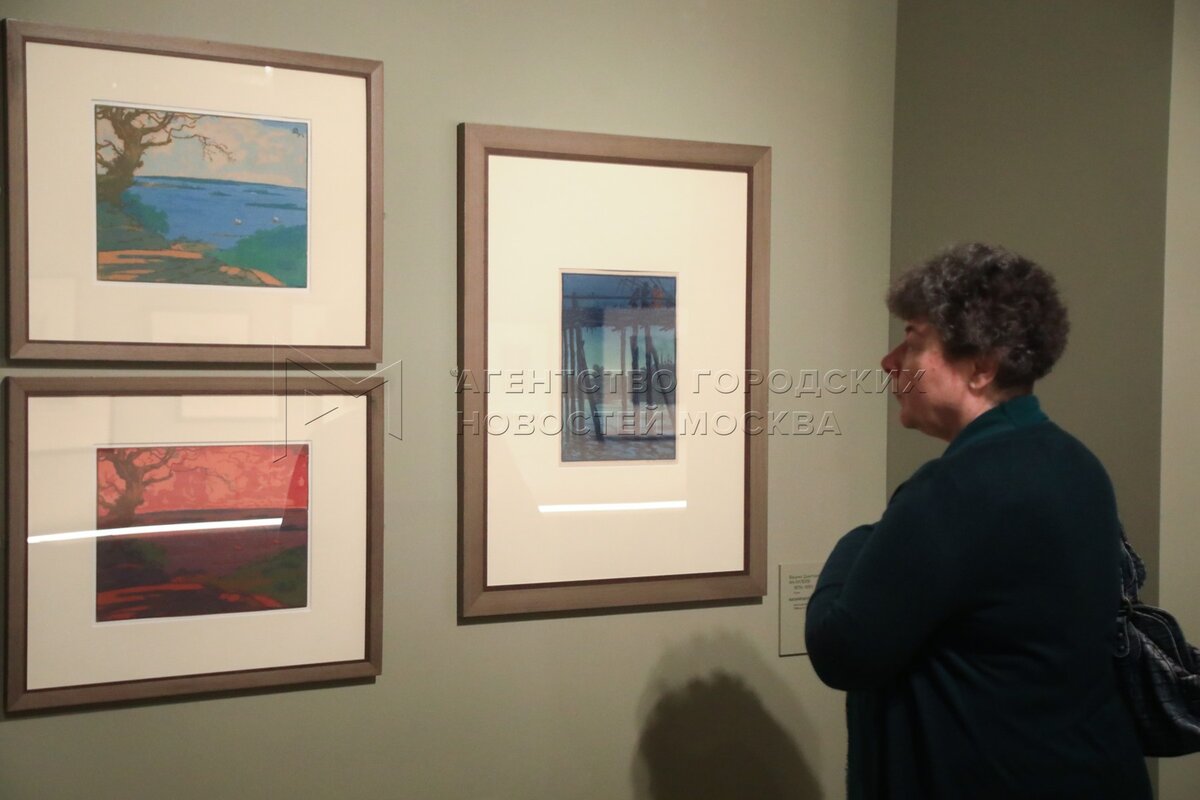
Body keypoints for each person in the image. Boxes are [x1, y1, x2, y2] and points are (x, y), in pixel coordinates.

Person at [805, 243, 1151, 799]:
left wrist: (860, 538)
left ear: (981, 368)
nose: (890, 362)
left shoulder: (957, 488)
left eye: (914, 340)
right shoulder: (1076, 463)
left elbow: (842, 650)